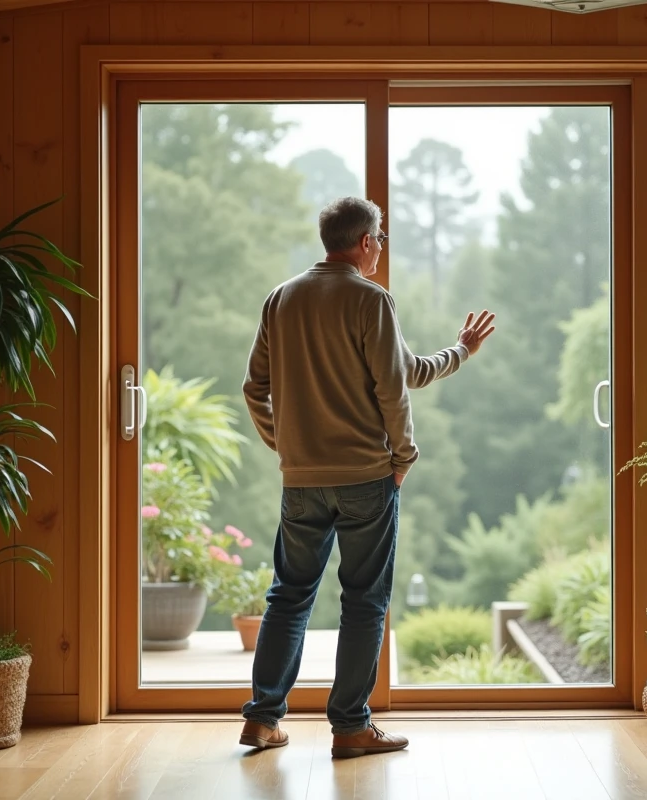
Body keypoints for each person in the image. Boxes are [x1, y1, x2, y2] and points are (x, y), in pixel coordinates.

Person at [238, 196, 495, 759]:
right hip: (365, 479)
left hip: (300, 480)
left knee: (288, 596)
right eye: (380, 238)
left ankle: (262, 719)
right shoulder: (371, 299)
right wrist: (404, 458)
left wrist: (287, 445)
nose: (381, 248)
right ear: (364, 242)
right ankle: (351, 727)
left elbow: (255, 387)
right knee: (363, 602)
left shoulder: (281, 298)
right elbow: (394, 388)